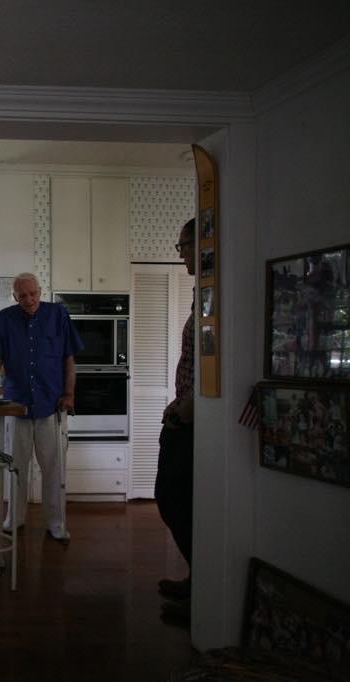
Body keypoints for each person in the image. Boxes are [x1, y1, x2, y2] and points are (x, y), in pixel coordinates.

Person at [0, 273, 82, 544]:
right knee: (16, 467)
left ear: (40, 291)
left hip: (52, 403)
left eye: (33, 293)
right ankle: (14, 518)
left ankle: (57, 524)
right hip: (17, 405)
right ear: (15, 297)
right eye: (23, 296)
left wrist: (69, 393)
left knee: (54, 470)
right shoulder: (4, 319)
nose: (29, 300)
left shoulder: (58, 315)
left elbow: (69, 357)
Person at [156, 218, 196, 623]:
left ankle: (202, 588)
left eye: (183, 245)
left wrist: (191, 405)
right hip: (184, 413)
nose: (181, 253)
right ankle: (198, 579)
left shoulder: (216, 291)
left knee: (174, 498)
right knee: (175, 499)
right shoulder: (204, 292)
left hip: (193, 419)